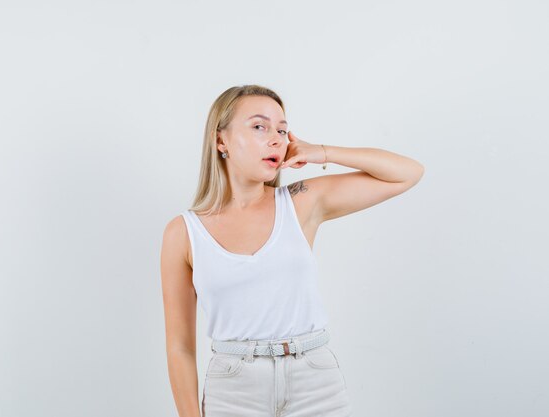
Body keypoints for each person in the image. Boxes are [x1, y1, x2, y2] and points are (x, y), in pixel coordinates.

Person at [160, 84, 424, 417]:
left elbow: (407, 173)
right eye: (259, 126)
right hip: (233, 390)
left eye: (282, 130)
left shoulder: (300, 202)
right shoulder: (183, 233)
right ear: (220, 140)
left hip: (314, 382)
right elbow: (180, 347)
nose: (276, 139)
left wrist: (322, 152)